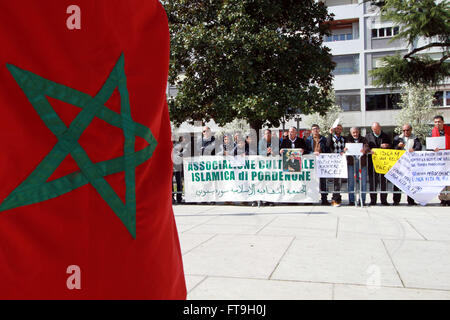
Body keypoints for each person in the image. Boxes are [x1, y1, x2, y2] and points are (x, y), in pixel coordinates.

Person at [392, 124, 422, 206]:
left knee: (411, 182)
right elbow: (392, 149)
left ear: (411, 130)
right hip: (400, 164)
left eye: (407, 130)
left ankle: (411, 200)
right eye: (404, 130)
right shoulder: (397, 138)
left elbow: (419, 147)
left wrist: (414, 149)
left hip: (410, 164)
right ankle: (396, 200)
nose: (405, 132)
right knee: (397, 182)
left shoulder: (415, 138)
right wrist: (398, 146)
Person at [365, 122, 391, 206]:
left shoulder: (385, 136)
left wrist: (387, 145)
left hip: (383, 163)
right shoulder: (368, 136)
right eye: (374, 129)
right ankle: (373, 200)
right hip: (372, 163)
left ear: (380, 128)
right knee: (373, 182)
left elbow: (392, 146)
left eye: (377, 129)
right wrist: (369, 150)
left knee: (384, 182)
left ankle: (384, 200)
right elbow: (365, 146)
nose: (375, 131)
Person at [305, 124, 330, 205]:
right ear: (311, 131)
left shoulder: (324, 139)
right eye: (313, 129)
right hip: (311, 163)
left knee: (323, 181)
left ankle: (324, 199)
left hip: (322, 162)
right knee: (311, 180)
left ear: (319, 130)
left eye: (316, 129)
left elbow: (327, 149)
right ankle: (310, 199)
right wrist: (312, 153)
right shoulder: (308, 140)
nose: (315, 130)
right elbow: (305, 151)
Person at [345, 127, 370, 206]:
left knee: (363, 182)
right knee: (351, 182)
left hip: (362, 163)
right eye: (353, 133)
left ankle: (362, 200)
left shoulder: (363, 139)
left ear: (359, 132)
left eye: (356, 132)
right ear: (351, 133)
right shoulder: (348, 139)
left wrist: (364, 150)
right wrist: (344, 150)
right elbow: (343, 149)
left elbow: (367, 147)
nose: (355, 134)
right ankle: (351, 200)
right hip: (351, 163)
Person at [431, 115, 450, 206]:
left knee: (449, 179)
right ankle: (442, 198)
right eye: (435, 122)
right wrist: (432, 149)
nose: (437, 123)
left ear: (443, 122)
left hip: (448, 159)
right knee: (441, 180)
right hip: (439, 160)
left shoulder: (448, 130)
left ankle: (449, 198)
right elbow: (429, 146)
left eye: (439, 121)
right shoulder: (432, 132)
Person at [326, 124, 346, 207]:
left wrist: (344, 150)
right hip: (332, 161)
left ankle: (337, 198)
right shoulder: (331, 137)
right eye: (337, 128)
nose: (338, 130)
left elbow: (346, 147)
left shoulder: (343, 138)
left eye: (340, 129)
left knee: (339, 181)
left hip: (341, 162)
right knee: (334, 181)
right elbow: (327, 145)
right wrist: (330, 134)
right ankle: (335, 198)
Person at [172, 136, 187, 204]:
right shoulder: (168, 144)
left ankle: (179, 198)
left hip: (178, 165)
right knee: (170, 183)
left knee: (179, 181)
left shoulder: (180, 145)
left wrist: (178, 153)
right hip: (170, 166)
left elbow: (183, 154)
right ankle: (171, 197)